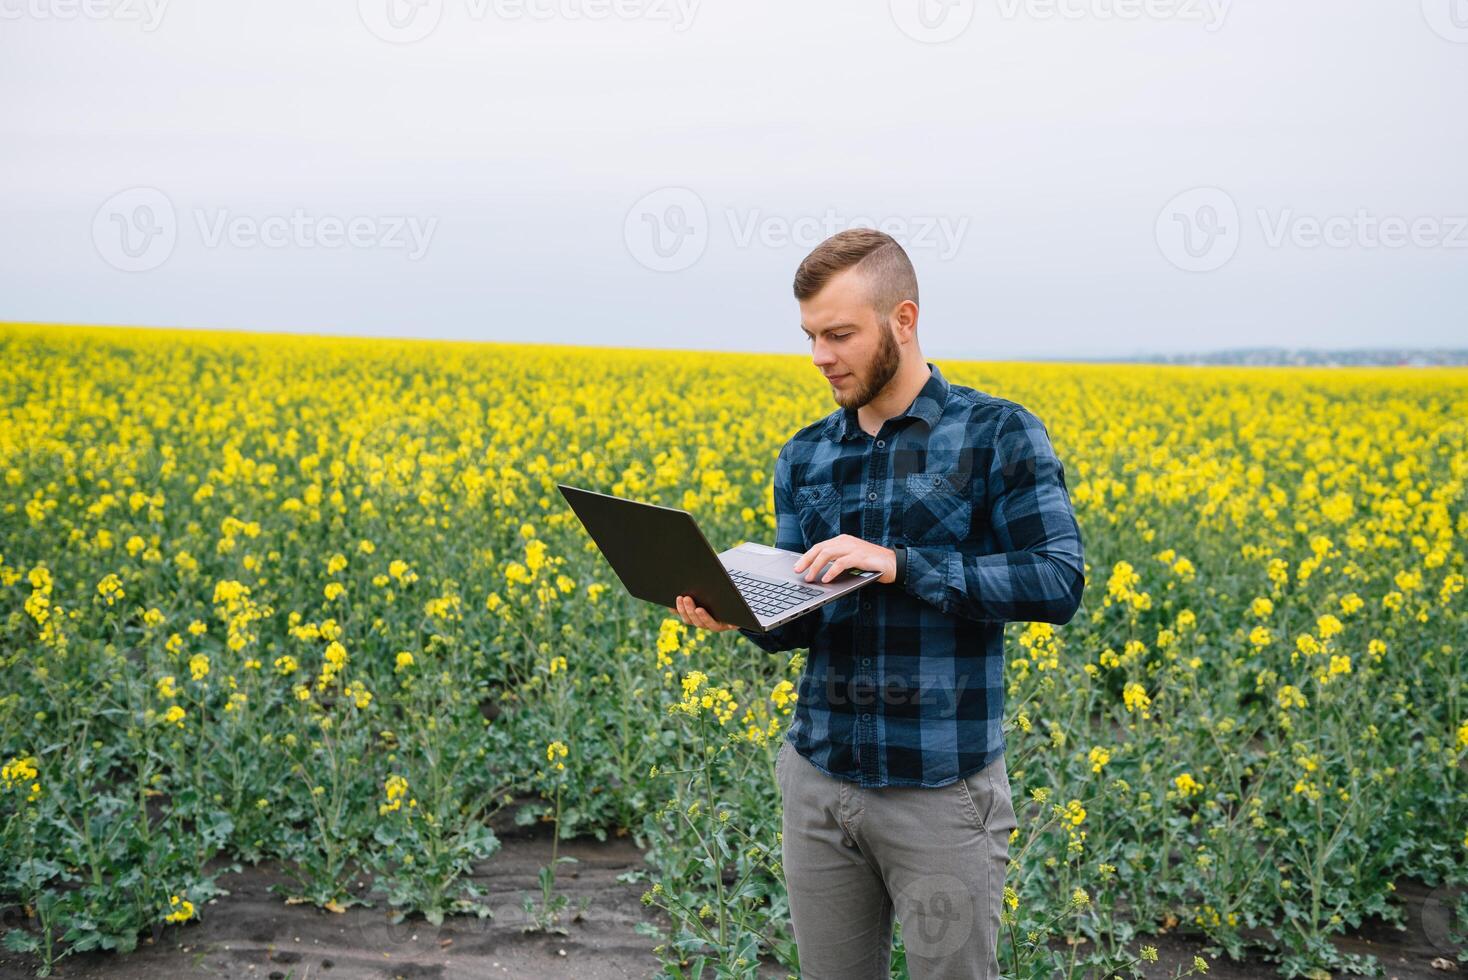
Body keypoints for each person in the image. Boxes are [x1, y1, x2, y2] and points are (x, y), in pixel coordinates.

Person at [675, 227, 1085, 980]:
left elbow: (1058, 581)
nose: (820, 357)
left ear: (903, 321)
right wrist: (740, 614)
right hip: (819, 778)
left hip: (938, 793)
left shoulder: (997, 435)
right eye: (809, 337)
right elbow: (805, 621)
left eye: (839, 334)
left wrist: (900, 564)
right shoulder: (805, 454)